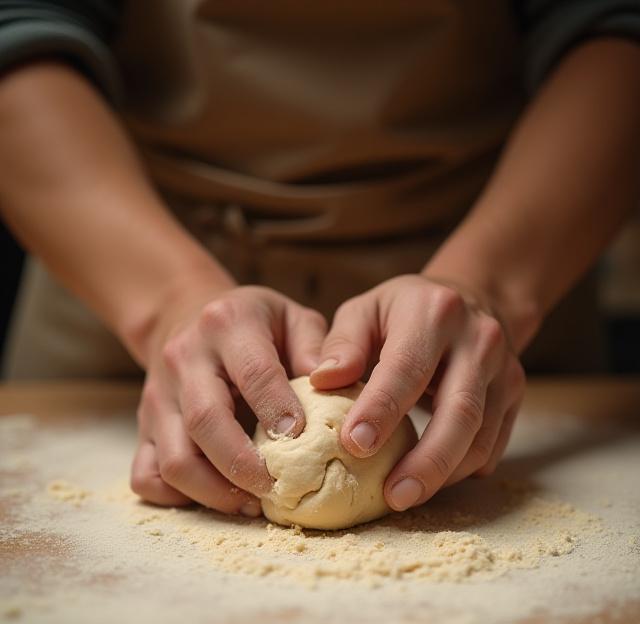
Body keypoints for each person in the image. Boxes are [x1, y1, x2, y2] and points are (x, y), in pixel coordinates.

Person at [1, 2, 639, 518]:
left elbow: (617, 26)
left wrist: (486, 282)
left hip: (508, 239)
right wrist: (169, 304)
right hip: (121, 247)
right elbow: (18, 26)